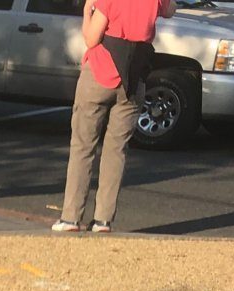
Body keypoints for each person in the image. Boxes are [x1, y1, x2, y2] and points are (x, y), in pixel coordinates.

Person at [53, 0, 173, 234]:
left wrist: (87, 11)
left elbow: (91, 39)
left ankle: (71, 218)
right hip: (132, 81)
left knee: (83, 146)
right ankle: (103, 220)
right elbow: (170, 10)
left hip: (100, 75)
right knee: (117, 150)